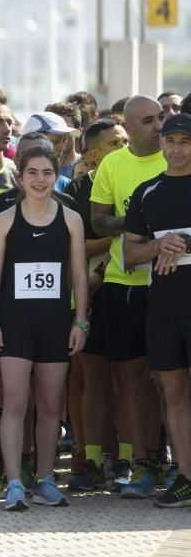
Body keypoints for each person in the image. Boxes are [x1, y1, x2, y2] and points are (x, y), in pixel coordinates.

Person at [0, 146, 88, 511]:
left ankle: (45, 479)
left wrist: (81, 321)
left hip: (56, 323)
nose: (40, 180)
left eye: (47, 173)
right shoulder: (5, 219)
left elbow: (78, 274)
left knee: (48, 407)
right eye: (33, 173)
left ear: (55, 175)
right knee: (14, 404)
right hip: (14, 323)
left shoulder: (71, 218)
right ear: (20, 176)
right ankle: (14, 482)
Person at [90, 94, 167, 495]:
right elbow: (99, 222)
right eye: (150, 121)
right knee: (130, 380)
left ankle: (166, 459)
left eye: (161, 118)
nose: (159, 126)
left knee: (171, 381)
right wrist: (133, 222)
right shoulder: (112, 164)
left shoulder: (177, 160)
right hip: (122, 284)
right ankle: (139, 464)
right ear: (130, 127)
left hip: (168, 285)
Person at [123, 112, 191, 507]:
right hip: (163, 308)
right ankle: (185, 475)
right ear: (161, 143)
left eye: (185, 141)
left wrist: (182, 242)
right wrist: (156, 247)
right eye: (172, 140)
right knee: (173, 390)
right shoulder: (148, 191)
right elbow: (130, 251)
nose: (177, 148)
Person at [63, 120, 129, 492]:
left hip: (126, 289)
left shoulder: (136, 182)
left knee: (129, 379)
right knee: (89, 378)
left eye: (124, 140)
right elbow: (72, 246)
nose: (123, 146)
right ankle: (89, 456)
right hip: (87, 293)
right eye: (114, 142)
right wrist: (118, 233)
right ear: (90, 154)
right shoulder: (77, 190)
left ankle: (128, 456)